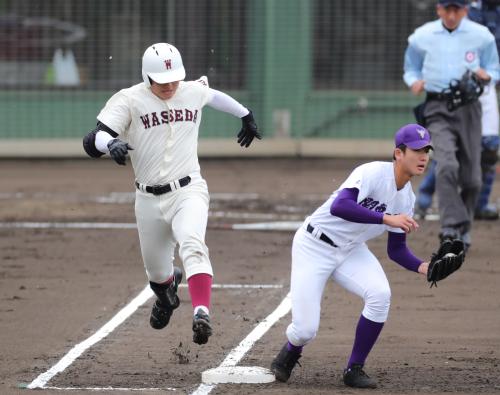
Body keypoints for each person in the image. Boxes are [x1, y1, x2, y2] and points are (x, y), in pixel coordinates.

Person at [82, 43, 261, 345]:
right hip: (148, 200)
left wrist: (246, 115)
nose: (169, 86)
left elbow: (214, 96)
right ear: (147, 76)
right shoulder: (129, 99)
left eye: (174, 79)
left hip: (188, 190)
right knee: (157, 274)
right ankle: (166, 295)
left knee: (193, 243)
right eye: (162, 81)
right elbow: (92, 138)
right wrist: (108, 144)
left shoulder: (190, 90)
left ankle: (201, 312)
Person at [270, 124, 436, 389]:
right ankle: (292, 349)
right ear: (398, 153)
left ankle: (354, 368)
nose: (423, 156)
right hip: (314, 245)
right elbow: (340, 206)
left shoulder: (406, 198)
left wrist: (423, 267)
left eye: (426, 150)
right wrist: (384, 217)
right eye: (416, 150)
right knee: (305, 330)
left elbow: (396, 250)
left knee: (380, 295)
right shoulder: (371, 173)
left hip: (351, 250)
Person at [403, 0, 499, 248]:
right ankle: (450, 228)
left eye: (457, 9)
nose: (452, 14)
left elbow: (494, 67)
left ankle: (463, 227)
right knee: (446, 165)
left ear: (465, 10)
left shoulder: (481, 36)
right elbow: (411, 66)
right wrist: (414, 80)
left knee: (473, 179)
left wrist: (487, 76)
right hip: (437, 106)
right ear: (439, 9)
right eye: (448, 9)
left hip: (470, 108)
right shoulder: (422, 36)